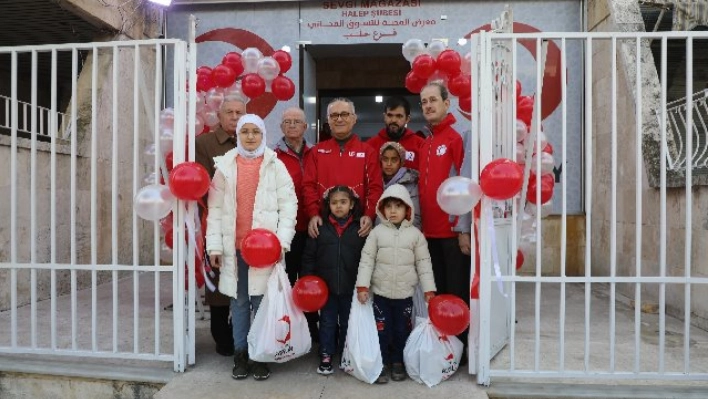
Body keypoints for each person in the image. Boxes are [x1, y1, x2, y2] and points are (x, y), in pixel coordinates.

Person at [206, 114, 297, 381]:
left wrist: (281, 243)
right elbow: (215, 208)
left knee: (261, 303)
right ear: (238, 134)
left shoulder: (274, 164)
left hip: (265, 250)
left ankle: (260, 356)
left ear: (263, 134)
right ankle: (240, 354)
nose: (249, 136)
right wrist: (214, 246)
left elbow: (288, 206)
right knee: (240, 303)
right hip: (234, 249)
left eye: (255, 131)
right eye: (244, 131)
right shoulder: (224, 166)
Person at [355, 183, 436, 384]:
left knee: (402, 330)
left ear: (407, 209)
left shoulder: (416, 235)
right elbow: (366, 260)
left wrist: (429, 290)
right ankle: (381, 363)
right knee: (382, 330)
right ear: (382, 209)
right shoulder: (376, 233)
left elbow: (424, 264)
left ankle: (398, 362)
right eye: (388, 206)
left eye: (398, 206)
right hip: (381, 294)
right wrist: (363, 286)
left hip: (404, 296)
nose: (392, 211)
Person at [417, 82, 472, 352]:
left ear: (446, 104)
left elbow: (464, 185)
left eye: (433, 100)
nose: (428, 105)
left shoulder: (455, 138)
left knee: (456, 294)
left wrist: (463, 229)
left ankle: (460, 347)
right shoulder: (426, 142)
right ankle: (444, 346)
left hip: (452, 234)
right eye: (424, 102)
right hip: (429, 234)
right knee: (437, 294)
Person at [194, 96, 246, 357]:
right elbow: (203, 186)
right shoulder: (204, 143)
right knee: (218, 285)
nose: (235, 117)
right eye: (230, 112)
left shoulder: (251, 140)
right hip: (218, 223)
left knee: (244, 283)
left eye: (239, 112)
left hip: (247, 225)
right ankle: (222, 337)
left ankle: (241, 335)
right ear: (220, 115)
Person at [301, 186, 366, 376]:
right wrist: (307, 280)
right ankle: (326, 353)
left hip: (350, 287)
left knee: (347, 322)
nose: (339, 206)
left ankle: (346, 353)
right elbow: (309, 257)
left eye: (343, 202)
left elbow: (367, 259)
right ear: (328, 205)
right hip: (326, 288)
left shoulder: (359, 229)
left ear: (352, 204)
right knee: (327, 322)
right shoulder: (319, 228)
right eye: (334, 202)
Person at [302, 97, 383, 240]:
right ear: (328, 120)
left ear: (354, 119)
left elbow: (375, 187)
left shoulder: (367, 152)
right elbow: (308, 186)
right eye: (334, 115)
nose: (339, 119)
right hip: (323, 226)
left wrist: (369, 215)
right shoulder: (316, 152)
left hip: (358, 227)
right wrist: (313, 214)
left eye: (344, 114)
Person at [272, 106, 319, 342]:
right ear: (281, 127)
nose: (292, 125)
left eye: (296, 121)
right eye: (287, 121)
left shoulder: (316, 153)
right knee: (288, 280)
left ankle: (311, 326)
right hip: (286, 231)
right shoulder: (272, 156)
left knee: (310, 279)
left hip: (313, 227)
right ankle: (289, 329)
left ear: (305, 126)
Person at [366, 96, 425, 170]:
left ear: (407, 119)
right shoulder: (370, 146)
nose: (394, 120)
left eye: (399, 116)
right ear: (385, 117)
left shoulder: (420, 145)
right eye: (390, 115)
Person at [378, 141, 420, 229]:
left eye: (394, 160)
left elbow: (415, 217)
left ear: (401, 162)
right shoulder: (375, 182)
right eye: (385, 159)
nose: (389, 164)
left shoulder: (410, 184)